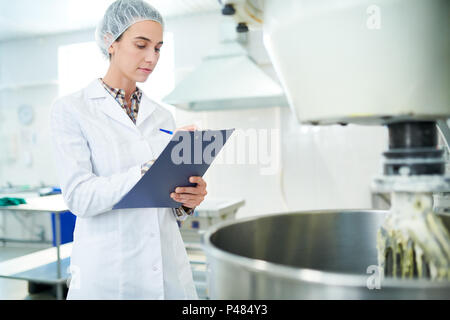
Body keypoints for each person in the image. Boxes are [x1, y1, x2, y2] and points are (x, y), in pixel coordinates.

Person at [50, 0, 207, 299]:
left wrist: (185, 200)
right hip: (109, 275)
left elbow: (164, 199)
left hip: (164, 270)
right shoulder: (71, 110)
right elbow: (79, 197)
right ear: (111, 42)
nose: (152, 57)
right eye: (141, 44)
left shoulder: (162, 115)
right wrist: (148, 171)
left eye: (158, 48)